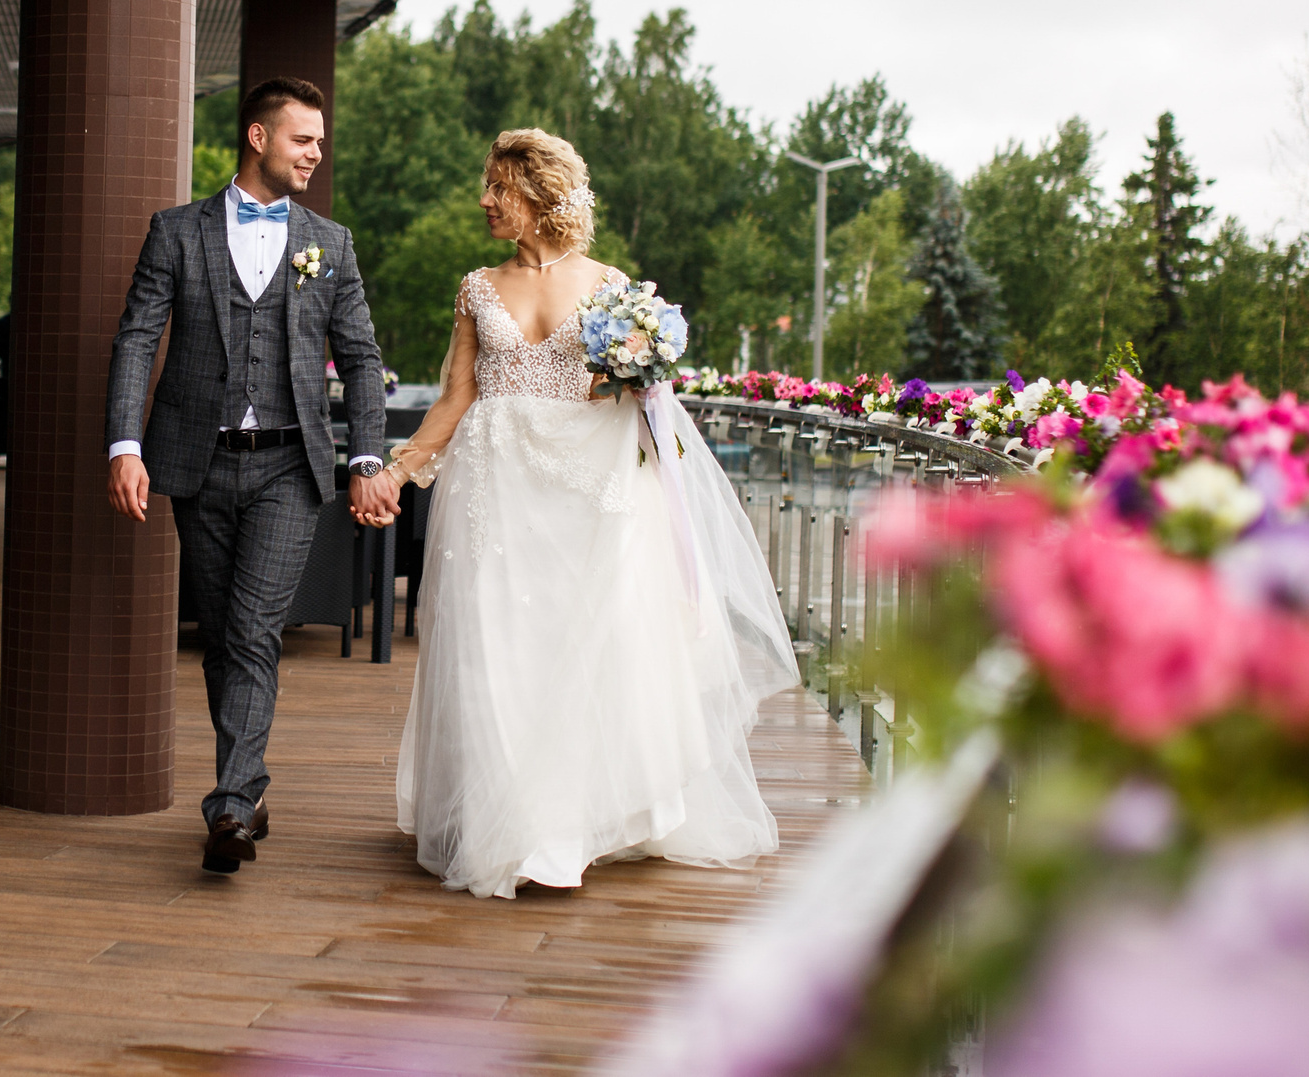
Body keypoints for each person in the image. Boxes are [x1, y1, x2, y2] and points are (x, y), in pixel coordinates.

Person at [375, 129, 799, 899]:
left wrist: (634, 380)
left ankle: (568, 824)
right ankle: (511, 821)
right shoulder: (476, 285)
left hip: (592, 488)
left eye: (498, 186)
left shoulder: (611, 285)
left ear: (539, 195)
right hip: (496, 487)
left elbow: (634, 395)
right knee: (495, 645)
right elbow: (456, 397)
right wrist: (398, 469)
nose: (485, 200)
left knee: (587, 647)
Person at [103, 77, 392, 876]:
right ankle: (246, 790)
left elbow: (363, 360)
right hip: (197, 462)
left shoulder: (330, 244)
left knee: (255, 629)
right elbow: (136, 339)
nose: (316, 153)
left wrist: (366, 455)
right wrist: (125, 443)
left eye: (320, 140)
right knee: (223, 640)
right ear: (259, 138)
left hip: (289, 470)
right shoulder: (175, 232)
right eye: (304, 139)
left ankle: (229, 804)